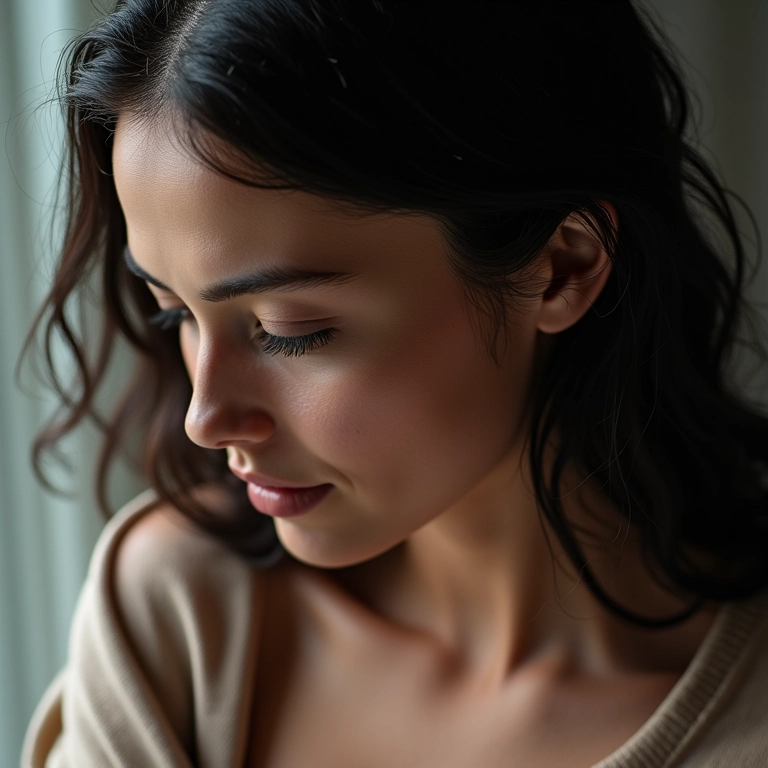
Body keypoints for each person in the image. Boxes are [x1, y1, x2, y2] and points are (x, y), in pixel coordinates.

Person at [19, 0, 768, 766]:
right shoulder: (179, 612)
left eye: (289, 329)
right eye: (172, 311)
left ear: (560, 267)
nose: (206, 419)